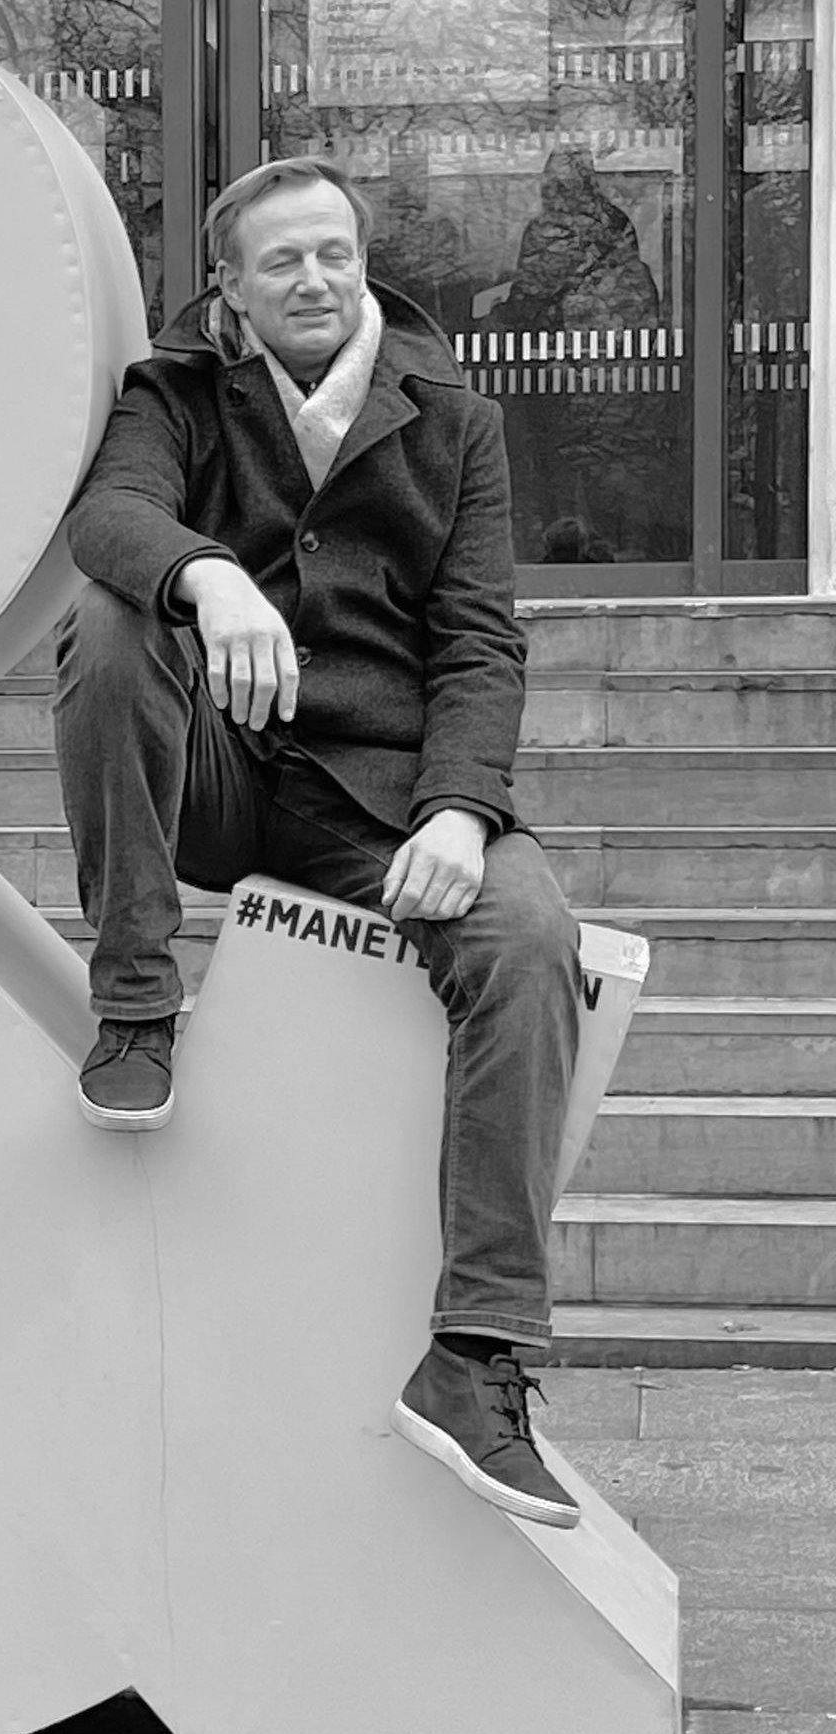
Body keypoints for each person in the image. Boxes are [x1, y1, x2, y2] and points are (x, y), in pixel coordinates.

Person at [55, 156, 583, 1528]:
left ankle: (475, 1358)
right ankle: (135, 1003)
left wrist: (461, 807)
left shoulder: (452, 416)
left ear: (364, 261)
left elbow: (480, 641)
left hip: (383, 796)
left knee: (531, 936)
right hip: (221, 775)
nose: (314, 280)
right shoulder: (177, 389)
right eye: (281, 260)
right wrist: (207, 573)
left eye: (333, 253)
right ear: (229, 288)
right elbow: (107, 516)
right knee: (109, 617)